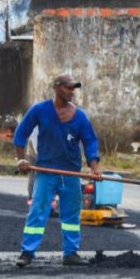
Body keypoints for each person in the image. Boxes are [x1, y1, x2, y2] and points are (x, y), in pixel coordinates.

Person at [13, 73, 101, 268]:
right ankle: (27, 252)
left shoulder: (80, 117)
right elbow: (21, 133)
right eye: (68, 88)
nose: (71, 92)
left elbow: (90, 142)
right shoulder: (40, 110)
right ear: (57, 88)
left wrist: (94, 168)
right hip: (45, 170)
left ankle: (71, 253)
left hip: (70, 173)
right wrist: (21, 159)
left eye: (73, 89)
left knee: (71, 214)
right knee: (38, 211)